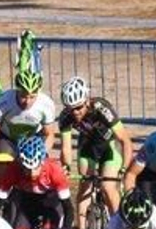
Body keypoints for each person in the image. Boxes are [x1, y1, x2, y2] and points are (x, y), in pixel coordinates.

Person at [56, 77, 132, 219]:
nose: (75, 112)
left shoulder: (101, 108)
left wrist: (124, 169)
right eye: (71, 109)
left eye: (78, 107)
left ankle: (118, 226)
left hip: (109, 146)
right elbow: (65, 148)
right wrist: (66, 167)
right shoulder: (65, 117)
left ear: (86, 101)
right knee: (85, 186)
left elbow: (125, 140)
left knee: (108, 187)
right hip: (87, 146)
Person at [0, 70, 60, 187]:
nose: (27, 101)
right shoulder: (3, 102)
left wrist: (42, 154)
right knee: (2, 172)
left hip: (33, 140)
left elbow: (49, 134)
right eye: (23, 96)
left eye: (32, 97)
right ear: (16, 90)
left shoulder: (46, 104)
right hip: (8, 138)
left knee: (34, 174)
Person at [1, 136, 71, 229]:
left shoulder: (54, 170)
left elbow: (68, 207)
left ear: (42, 162)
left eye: (35, 168)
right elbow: (0, 199)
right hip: (28, 204)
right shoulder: (14, 168)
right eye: (27, 169)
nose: (31, 173)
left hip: (51, 204)